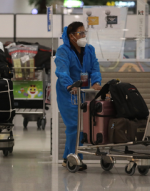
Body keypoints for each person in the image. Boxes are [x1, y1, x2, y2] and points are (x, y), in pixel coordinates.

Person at [55, 21, 102, 170]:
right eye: (80, 33)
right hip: (67, 93)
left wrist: (96, 82)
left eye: (84, 33)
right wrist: (69, 85)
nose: (83, 36)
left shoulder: (89, 49)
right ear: (72, 36)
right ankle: (75, 158)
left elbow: (94, 68)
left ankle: (67, 158)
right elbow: (62, 71)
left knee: (81, 126)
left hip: (84, 92)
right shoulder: (63, 51)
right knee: (74, 125)